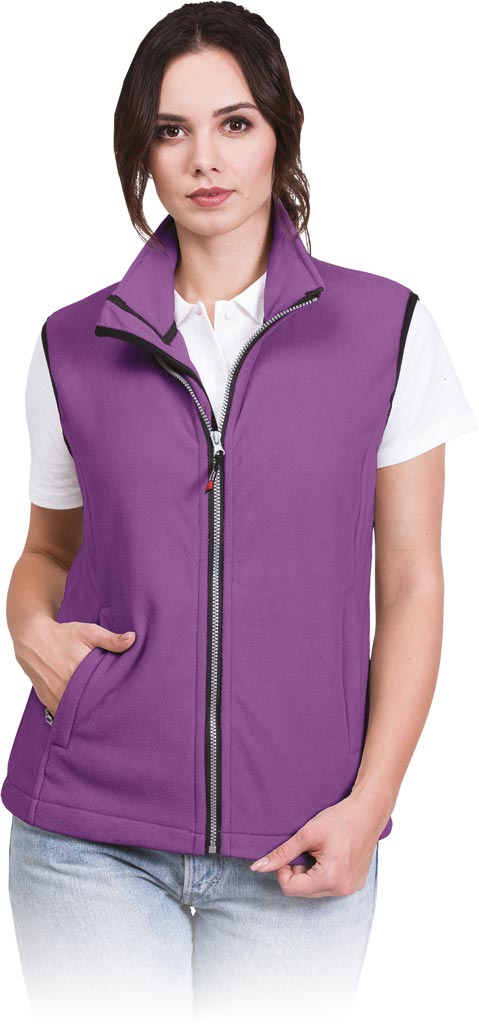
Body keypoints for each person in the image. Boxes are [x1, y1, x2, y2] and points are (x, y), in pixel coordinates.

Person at [3, 3, 477, 1022]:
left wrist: (369, 806)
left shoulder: (386, 331)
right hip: (85, 834)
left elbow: (411, 582)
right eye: (170, 130)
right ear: (142, 153)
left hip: (301, 838)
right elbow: (47, 548)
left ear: (278, 134)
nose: (203, 158)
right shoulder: (70, 345)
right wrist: (26, 623)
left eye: (234, 123)